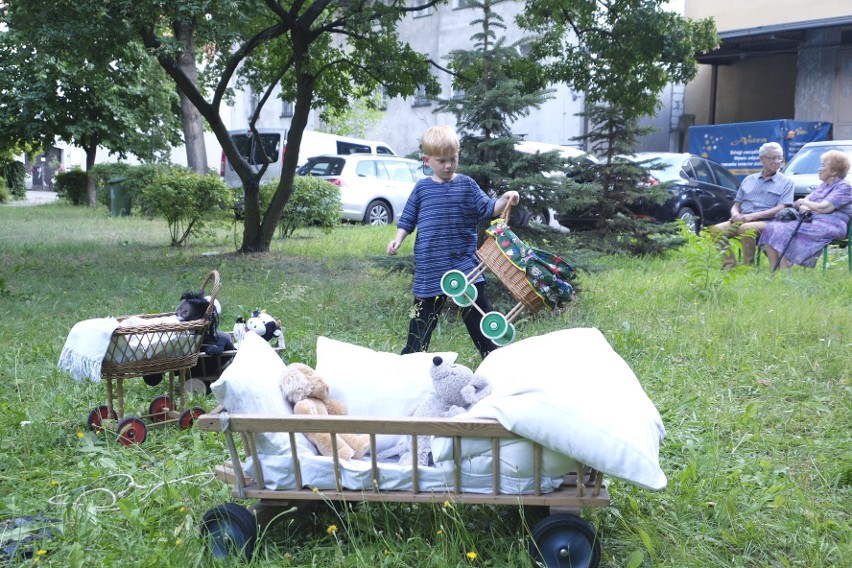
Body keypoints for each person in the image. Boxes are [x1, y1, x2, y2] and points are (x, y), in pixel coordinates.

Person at [387, 125, 519, 359]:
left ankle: (494, 359)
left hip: (464, 264)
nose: (448, 165)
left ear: (458, 155)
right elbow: (408, 218)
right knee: (422, 317)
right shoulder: (422, 189)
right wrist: (397, 239)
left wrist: (506, 198)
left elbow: (489, 208)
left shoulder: (467, 185)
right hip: (431, 265)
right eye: (441, 161)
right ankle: (411, 361)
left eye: (453, 159)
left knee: (478, 313)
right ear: (427, 160)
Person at [759, 149, 852, 270]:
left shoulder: (844, 187)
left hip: (832, 225)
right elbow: (804, 202)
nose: (819, 169)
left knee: (785, 229)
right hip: (813, 220)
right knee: (771, 227)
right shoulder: (824, 185)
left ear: (834, 171)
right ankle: (774, 269)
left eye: (823, 165)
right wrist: (804, 204)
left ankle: (784, 271)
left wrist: (804, 203)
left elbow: (824, 208)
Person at [709, 142, 794, 267]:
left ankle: (747, 266)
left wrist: (752, 216)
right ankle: (729, 265)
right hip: (742, 218)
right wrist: (735, 214)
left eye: (779, 158)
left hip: (768, 222)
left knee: (746, 228)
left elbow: (781, 208)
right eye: (772, 158)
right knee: (715, 230)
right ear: (762, 159)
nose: (777, 161)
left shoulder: (786, 182)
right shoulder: (749, 179)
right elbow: (736, 204)